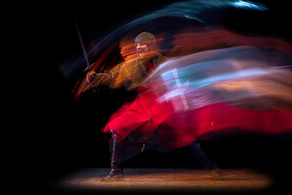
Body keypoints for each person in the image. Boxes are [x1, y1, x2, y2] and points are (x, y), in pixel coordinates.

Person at [83, 32, 222, 181]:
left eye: (142, 44)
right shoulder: (130, 65)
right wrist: (95, 77)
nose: (139, 47)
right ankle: (116, 171)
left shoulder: (165, 62)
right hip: (142, 104)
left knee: (185, 137)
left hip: (164, 103)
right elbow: (111, 77)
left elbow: (179, 80)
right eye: (137, 45)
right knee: (117, 128)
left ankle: (212, 167)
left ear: (150, 46)